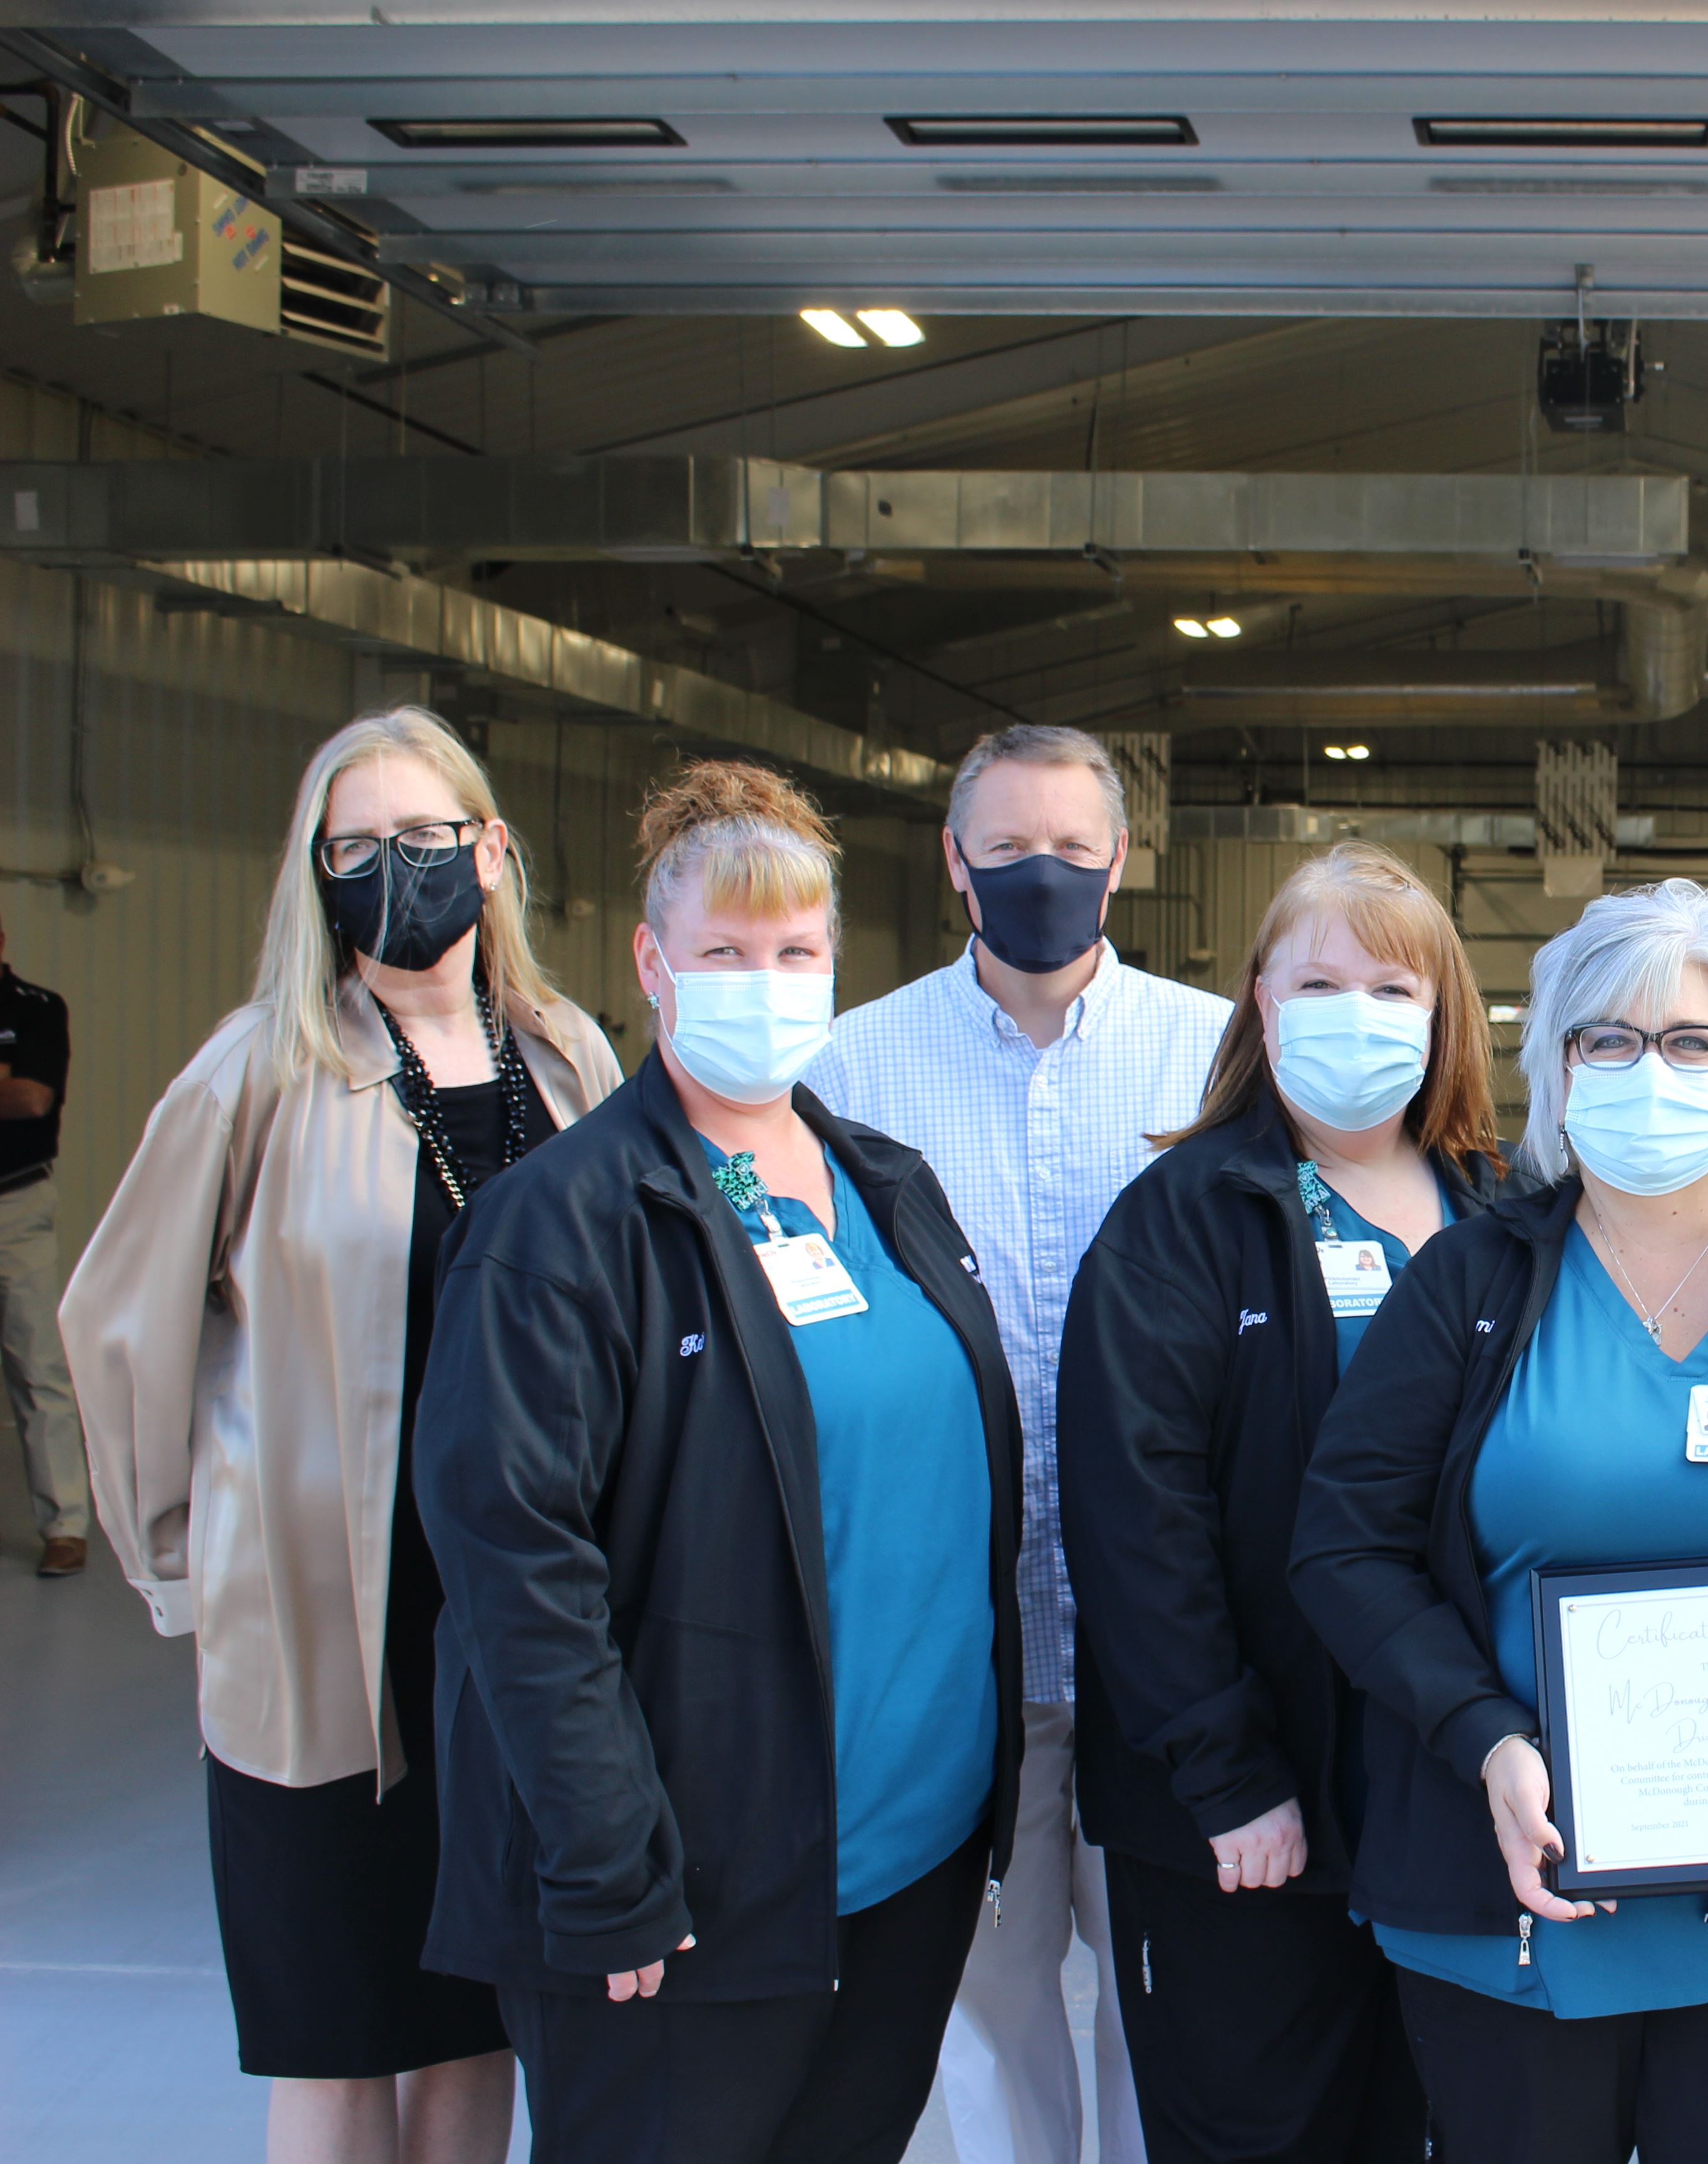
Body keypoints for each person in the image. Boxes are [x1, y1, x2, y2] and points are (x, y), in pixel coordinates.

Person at [1288, 878, 1708, 2164]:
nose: (1647, 1070)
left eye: (1690, 1041)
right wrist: (1485, 1736)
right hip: (1510, 1890)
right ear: (1557, 1069)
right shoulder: (1469, 1281)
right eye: (1606, 1039)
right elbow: (1345, 1545)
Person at [414, 763, 1022, 2164]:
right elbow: (518, 1572)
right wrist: (606, 1865)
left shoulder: (887, 1185)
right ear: (652, 964)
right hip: (685, 1890)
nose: (767, 983)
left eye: (796, 953)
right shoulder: (559, 1227)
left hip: (904, 1863)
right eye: (726, 955)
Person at [63, 708, 619, 2164]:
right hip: (327, 1629)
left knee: (476, 2025)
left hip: (517, 1621)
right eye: (354, 845)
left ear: (491, 851)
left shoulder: (565, 1057)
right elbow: (118, 1322)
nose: (394, 868)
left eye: (423, 835)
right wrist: (186, 1558)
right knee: (334, 2032)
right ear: (315, 873)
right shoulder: (259, 1070)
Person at [810, 723, 1228, 2164]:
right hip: (960, 1638)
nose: (1038, 872)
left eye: (1068, 846)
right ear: (953, 860)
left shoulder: (1212, 1057)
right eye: (1004, 847)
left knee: (1167, 2001)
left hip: (1159, 1640)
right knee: (982, 2019)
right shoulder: (852, 1065)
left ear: (1121, 859)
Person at [1062, 844, 1503, 2163]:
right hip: (1254, 1810)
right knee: (1260, 2131)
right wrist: (1228, 1775)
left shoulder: (1507, 1210)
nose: (1355, 1015)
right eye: (1319, 983)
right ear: (1261, 1003)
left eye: (1392, 989)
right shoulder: (1179, 1222)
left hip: (1450, 1794)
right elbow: (1138, 1523)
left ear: (1440, 1017)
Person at [0, 900, 88, 1578]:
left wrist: (12, 1087)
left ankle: (65, 1525)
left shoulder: (34, 1008)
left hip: (15, 1205)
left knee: (37, 1365)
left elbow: (32, 1098)